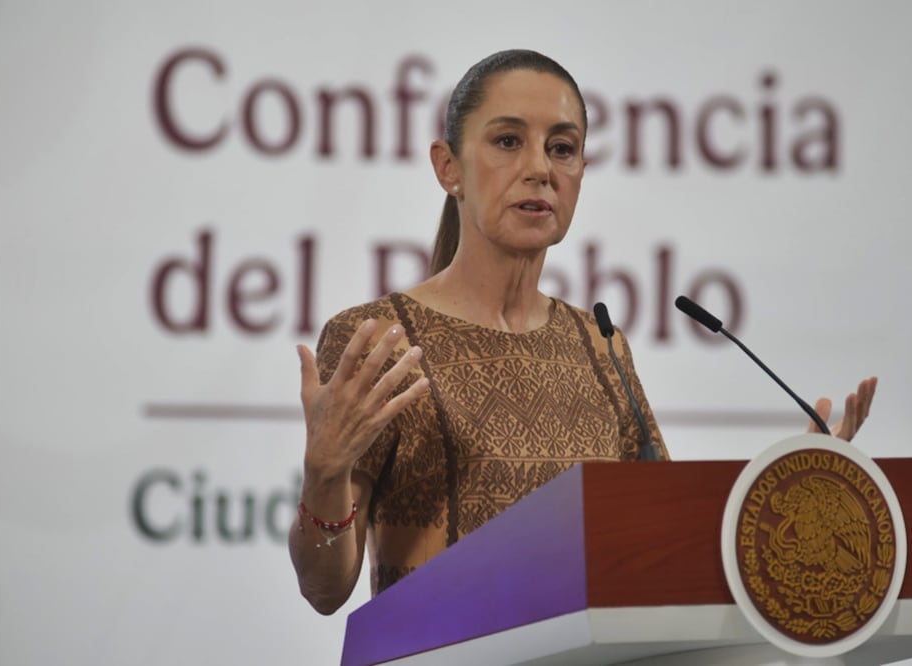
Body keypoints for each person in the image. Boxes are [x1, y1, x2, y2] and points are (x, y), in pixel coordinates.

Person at [289, 49, 877, 615]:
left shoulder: (601, 346)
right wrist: (325, 473)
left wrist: (794, 499)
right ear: (449, 167)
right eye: (507, 141)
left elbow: (668, 545)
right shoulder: (381, 340)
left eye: (562, 148)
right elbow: (325, 589)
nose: (540, 168)